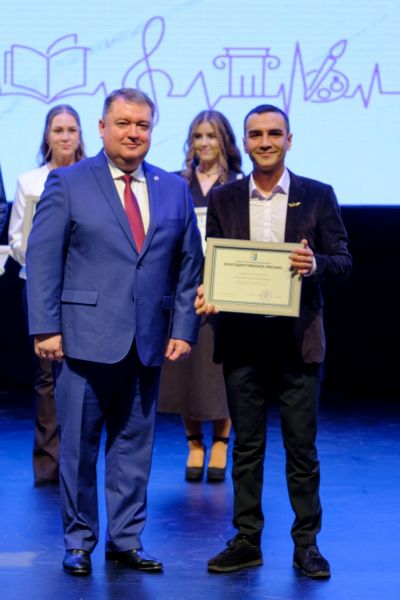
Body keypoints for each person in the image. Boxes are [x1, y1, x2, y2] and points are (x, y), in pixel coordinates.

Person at [25, 88, 203, 576]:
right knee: (79, 450)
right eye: (123, 123)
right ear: (102, 128)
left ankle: (126, 539)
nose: (133, 133)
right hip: (81, 339)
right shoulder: (68, 182)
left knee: (133, 449)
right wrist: (45, 327)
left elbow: (189, 265)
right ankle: (79, 541)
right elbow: (43, 258)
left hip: (147, 341)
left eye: (142, 125)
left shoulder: (173, 188)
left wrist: (184, 328)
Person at [195, 104, 352, 578]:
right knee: (246, 448)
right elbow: (213, 261)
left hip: (297, 341)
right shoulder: (224, 198)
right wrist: (210, 291)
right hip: (243, 341)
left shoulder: (318, 195)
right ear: (244, 142)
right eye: (256, 134)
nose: (265, 142)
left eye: (274, 133)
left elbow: (343, 260)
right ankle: (247, 539)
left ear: (289, 139)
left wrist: (315, 265)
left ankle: (307, 544)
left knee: (301, 449)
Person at [159, 110, 243, 482]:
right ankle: (194, 444)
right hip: (184, 285)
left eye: (211, 136)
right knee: (185, 369)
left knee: (220, 368)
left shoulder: (240, 184)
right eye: (198, 136)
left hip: (226, 288)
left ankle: (221, 442)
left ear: (225, 141)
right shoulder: (177, 184)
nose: (204, 143)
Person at [8, 105, 85, 486]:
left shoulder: (94, 179)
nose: (65, 137)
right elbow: (16, 240)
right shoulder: (29, 182)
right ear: (47, 135)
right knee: (46, 376)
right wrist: (46, 257)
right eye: (58, 130)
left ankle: (79, 461)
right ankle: (49, 463)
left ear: (81, 135)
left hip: (85, 288)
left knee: (83, 374)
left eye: (72, 129)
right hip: (40, 286)